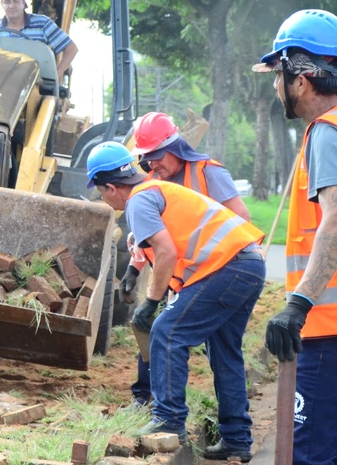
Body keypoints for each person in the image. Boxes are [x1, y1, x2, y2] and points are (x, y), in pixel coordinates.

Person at [255, 9, 337, 465]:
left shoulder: (328, 133)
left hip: (334, 330)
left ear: (302, 78)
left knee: (310, 454)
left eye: (278, 76)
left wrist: (298, 304)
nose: (276, 88)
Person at [87, 142, 265, 454]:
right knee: (225, 353)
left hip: (226, 268)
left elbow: (167, 251)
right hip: (248, 264)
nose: (105, 199)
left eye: (101, 193)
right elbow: (165, 244)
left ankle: (169, 419)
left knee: (167, 332)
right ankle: (237, 442)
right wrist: (134, 267)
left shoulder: (138, 201)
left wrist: (152, 302)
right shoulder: (156, 189)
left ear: (112, 187)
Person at [120, 111, 253, 409]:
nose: (152, 164)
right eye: (146, 158)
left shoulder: (208, 173)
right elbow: (153, 236)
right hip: (178, 276)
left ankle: (173, 417)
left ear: (175, 146)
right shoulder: (152, 179)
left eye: (157, 155)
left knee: (194, 341)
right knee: (156, 328)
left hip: (215, 275)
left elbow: (242, 220)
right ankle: (146, 396)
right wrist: (135, 267)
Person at [0, 0, 78, 80]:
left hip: (36, 84)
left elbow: (71, 49)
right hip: (2, 81)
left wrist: (54, 75)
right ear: (2, 5)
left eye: (16, 0)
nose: (11, 6)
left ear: (24, 3)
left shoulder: (42, 23)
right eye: (7, 2)